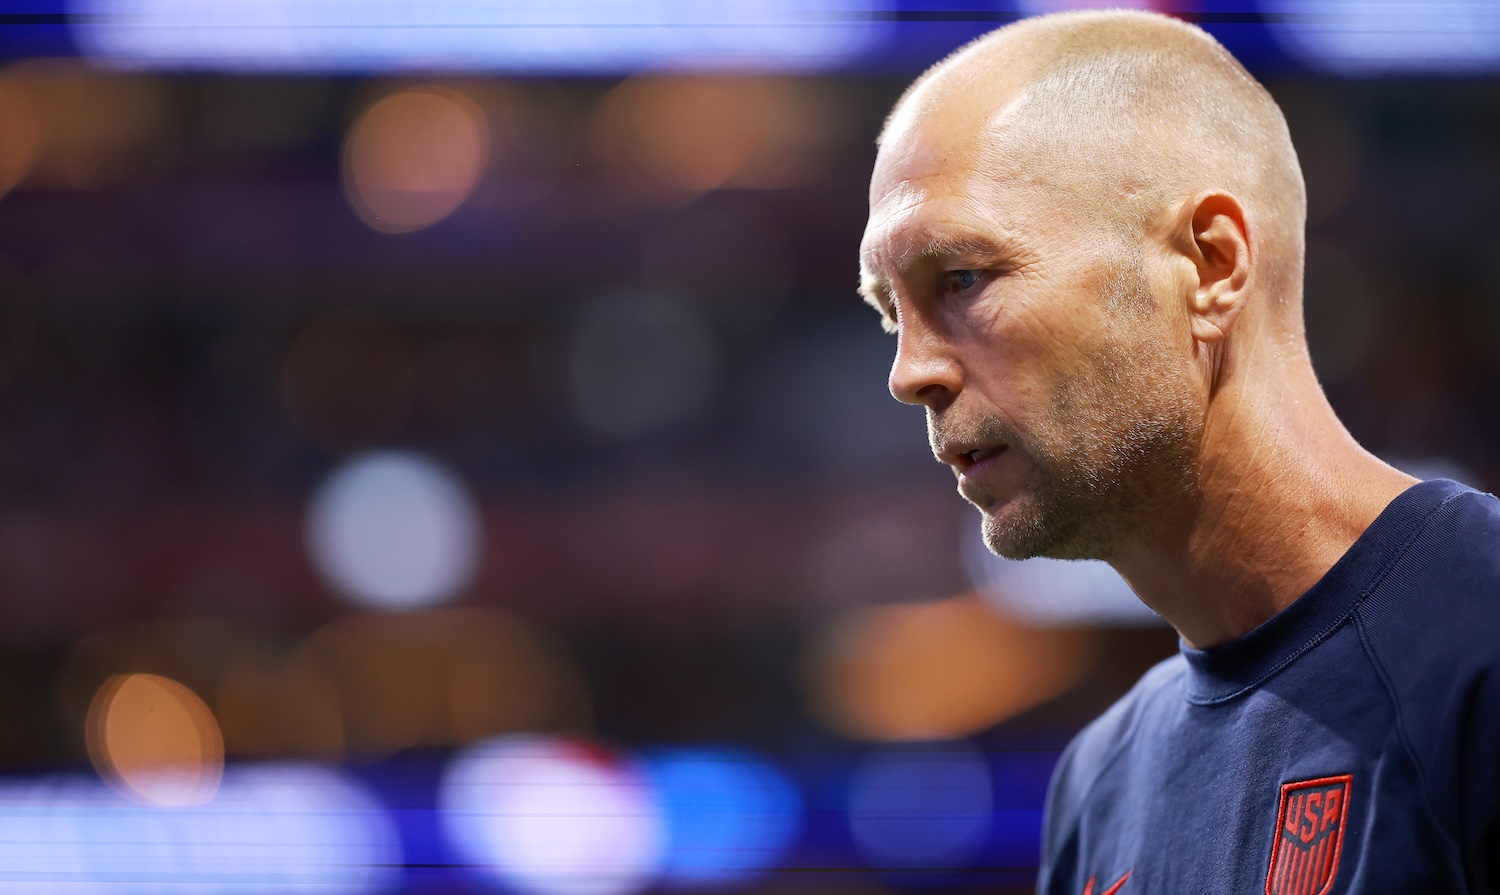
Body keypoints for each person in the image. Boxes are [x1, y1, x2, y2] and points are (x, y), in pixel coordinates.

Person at [858, 9, 1500, 894]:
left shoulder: (1481, 642)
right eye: (892, 312)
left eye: (963, 278)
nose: (910, 372)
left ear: (1209, 263)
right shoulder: (1099, 782)